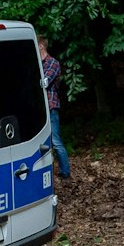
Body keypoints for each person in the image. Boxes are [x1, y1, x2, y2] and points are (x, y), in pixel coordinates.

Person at [38, 36, 72, 179]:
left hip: (50, 107)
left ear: (40, 46)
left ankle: (65, 172)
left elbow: (44, 82)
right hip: (40, 108)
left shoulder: (52, 63)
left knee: (56, 142)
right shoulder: (37, 63)